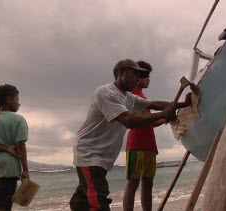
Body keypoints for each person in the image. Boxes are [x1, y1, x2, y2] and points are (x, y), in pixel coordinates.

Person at [70, 59, 191, 211]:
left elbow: (154, 104)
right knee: (98, 200)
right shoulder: (105, 92)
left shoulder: (129, 97)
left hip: (101, 156)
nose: (137, 79)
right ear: (121, 72)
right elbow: (129, 120)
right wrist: (164, 114)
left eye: (139, 75)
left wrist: (182, 104)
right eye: (134, 74)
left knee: (85, 195)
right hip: (89, 153)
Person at [123, 61, 166, 211]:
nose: (148, 78)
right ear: (136, 76)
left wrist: (166, 118)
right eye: (145, 75)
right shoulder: (132, 95)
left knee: (148, 183)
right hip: (136, 144)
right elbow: (139, 120)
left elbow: (150, 123)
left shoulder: (142, 97)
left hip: (150, 146)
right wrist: (165, 113)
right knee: (133, 183)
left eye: (149, 75)